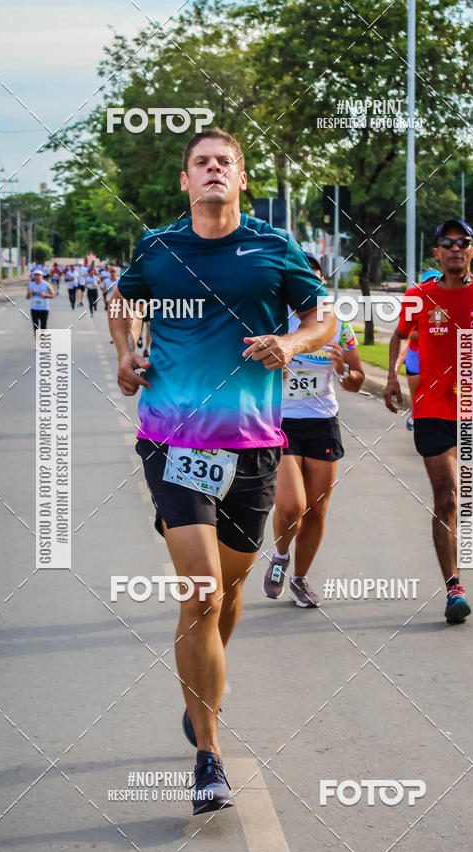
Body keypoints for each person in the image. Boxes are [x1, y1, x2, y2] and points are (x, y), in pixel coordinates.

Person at [109, 127, 335, 815]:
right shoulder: (159, 247)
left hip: (256, 445)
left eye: (224, 162)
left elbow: (321, 316)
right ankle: (208, 754)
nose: (213, 170)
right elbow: (123, 300)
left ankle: (198, 691)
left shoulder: (273, 247)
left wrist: (292, 341)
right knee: (203, 594)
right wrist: (124, 355)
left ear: (242, 178)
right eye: (201, 162)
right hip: (175, 441)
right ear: (186, 180)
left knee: (229, 593)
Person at [384, 219, 473, 624]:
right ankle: (454, 588)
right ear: (436, 253)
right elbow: (400, 335)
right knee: (445, 497)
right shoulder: (419, 296)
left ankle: (459, 554)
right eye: (446, 244)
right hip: (431, 408)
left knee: (470, 499)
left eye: (462, 243)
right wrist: (393, 376)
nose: (454, 249)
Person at [263, 252, 365, 608]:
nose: (310, 285)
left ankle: (300, 580)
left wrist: (342, 371)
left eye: (316, 278)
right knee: (292, 506)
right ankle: (279, 556)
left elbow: (356, 380)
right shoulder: (276, 323)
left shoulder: (339, 326)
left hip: (323, 423)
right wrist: (271, 373)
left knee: (317, 511)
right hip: (281, 422)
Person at [395, 269, 441, 431]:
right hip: (416, 354)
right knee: (418, 394)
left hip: (440, 357)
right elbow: (406, 333)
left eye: (436, 281)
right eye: (428, 282)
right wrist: (430, 334)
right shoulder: (415, 304)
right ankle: (416, 414)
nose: (432, 285)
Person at [27, 268, 55, 343]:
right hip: (34, 308)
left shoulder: (46, 284)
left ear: (42, 277)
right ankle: (37, 343)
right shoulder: (30, 285)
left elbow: (53, 295)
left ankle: (42, 341)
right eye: (35, 276)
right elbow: (28, 297)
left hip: (44, 309)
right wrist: (29, 293)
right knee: (35, 327)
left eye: (38, 276)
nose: (37, 277)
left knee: (43, 327)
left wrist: (45, 295)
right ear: (33, 277)